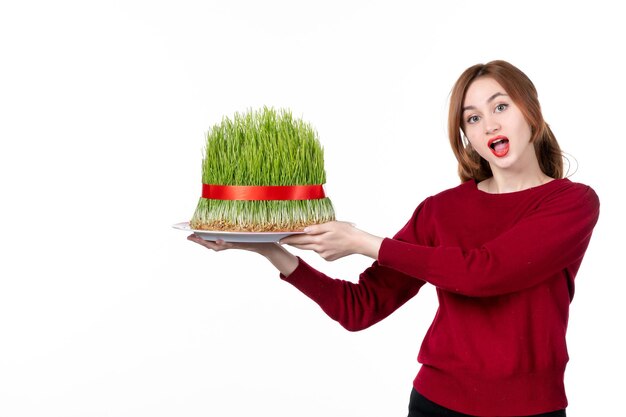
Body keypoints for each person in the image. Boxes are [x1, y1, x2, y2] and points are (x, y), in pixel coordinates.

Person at [187, 60, 600, 417]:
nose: (489, 123)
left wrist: (364, 241)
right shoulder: (440, 211)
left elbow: (485, 273)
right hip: (436, 404)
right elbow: (359, 308)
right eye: (472, 118)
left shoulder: (572, 203)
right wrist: (271, 251)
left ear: (532, 112)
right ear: (467, 138)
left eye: (501, 106)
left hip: (531, 411)